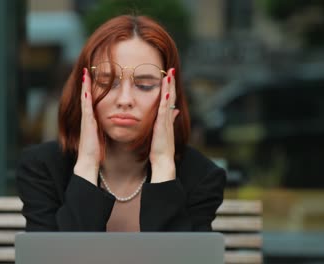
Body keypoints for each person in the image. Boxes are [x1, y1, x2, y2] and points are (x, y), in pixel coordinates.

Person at [16, 15, 226, 232]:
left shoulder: (201, 177)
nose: (125, 100)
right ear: (83, 88)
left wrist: (164, 167)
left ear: (169, 93)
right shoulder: (42, 168)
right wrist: (87, 164)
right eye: (107, 82)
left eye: (144, 85)